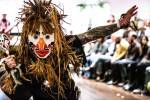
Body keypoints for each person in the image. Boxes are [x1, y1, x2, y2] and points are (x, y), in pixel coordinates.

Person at [0, 0, 138, 100]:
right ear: (27, 36)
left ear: (56, 35)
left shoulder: (65, 43)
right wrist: (8, 68)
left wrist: (118, 24)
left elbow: (92, 34)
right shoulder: (23, 52)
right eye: (35, 36)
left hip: (67, 96)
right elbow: (14, 89)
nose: (41, 44)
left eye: (47, 36)